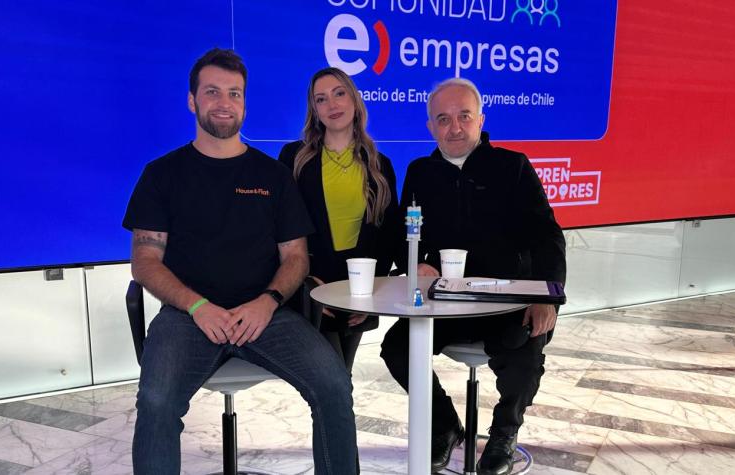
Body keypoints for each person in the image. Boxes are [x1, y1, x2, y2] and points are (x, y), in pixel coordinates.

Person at [123, 48, 358, 475]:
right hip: (187, 316)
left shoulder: (273, 176)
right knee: (156, 402)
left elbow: (296, 257)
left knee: (334, 385)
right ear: (192, 100)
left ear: (245, 103)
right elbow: (145, 260)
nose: (224, 103)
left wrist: (268, 301)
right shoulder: (162, 174)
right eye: (212, 92)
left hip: (266, 314)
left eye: (234, 93)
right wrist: (197, 306)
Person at [380, 78, 566, 475]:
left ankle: (504, 434)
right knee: (396, 348)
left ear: (480, 119)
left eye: (464, 116)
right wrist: (415, 265)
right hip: (444, 302)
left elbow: (547, 236)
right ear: (430, 126)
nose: (454, 128)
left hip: (506, 302)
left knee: (525, 353)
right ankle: (445, 425)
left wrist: (547, 297)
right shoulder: (420, 172)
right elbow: (403, 236)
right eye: (443, 119)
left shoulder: (513, 167)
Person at [278, 67, 400, 374]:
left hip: (358, 290)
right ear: (314, 109)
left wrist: (371, 291)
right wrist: (305, 281)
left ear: (355, 100)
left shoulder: (379, 165)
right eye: (321, 99)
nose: (332, 105)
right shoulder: (294, 158)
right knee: (331, 380)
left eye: (339, 93)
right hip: (312, 286)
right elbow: (279, 227)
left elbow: (388, 235)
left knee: (341, 379)